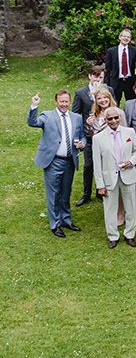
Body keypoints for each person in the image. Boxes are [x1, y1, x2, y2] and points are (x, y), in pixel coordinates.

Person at [29, 91, 86, 237]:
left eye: (66, 101)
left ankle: (66, 220)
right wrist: (34, 105)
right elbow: (32, 122)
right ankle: (55, 225)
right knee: (54, 194)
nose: (64, 104)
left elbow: (83, 136)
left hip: (69, 161)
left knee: (66, 192)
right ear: (56, 102)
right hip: (53, 161)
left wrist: (82, 143)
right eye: (61, 101)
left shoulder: (77, 117)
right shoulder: (47, 116)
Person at [72, 65, 104, 206]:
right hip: (89, 136)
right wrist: (78, 136)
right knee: (88, 165)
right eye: (96, 76)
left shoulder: (107, 90)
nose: (98, 79)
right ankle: (86, 194)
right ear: (90, 76)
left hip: (104, 135)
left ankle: (100, 190)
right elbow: (75, 115)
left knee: (103, 165)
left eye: (101, 77)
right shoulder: (80, 93)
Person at [105, 29, 136, 102]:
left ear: (130, 39)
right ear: (119, 37)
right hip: (116, 80)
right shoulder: (111, 51)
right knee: (114, 102)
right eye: (124, 36)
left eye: (128, 37)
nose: (126, 38)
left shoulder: (133, 50)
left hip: (130, 81)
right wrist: (106, 84)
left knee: (131, 102)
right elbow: (107, 68)